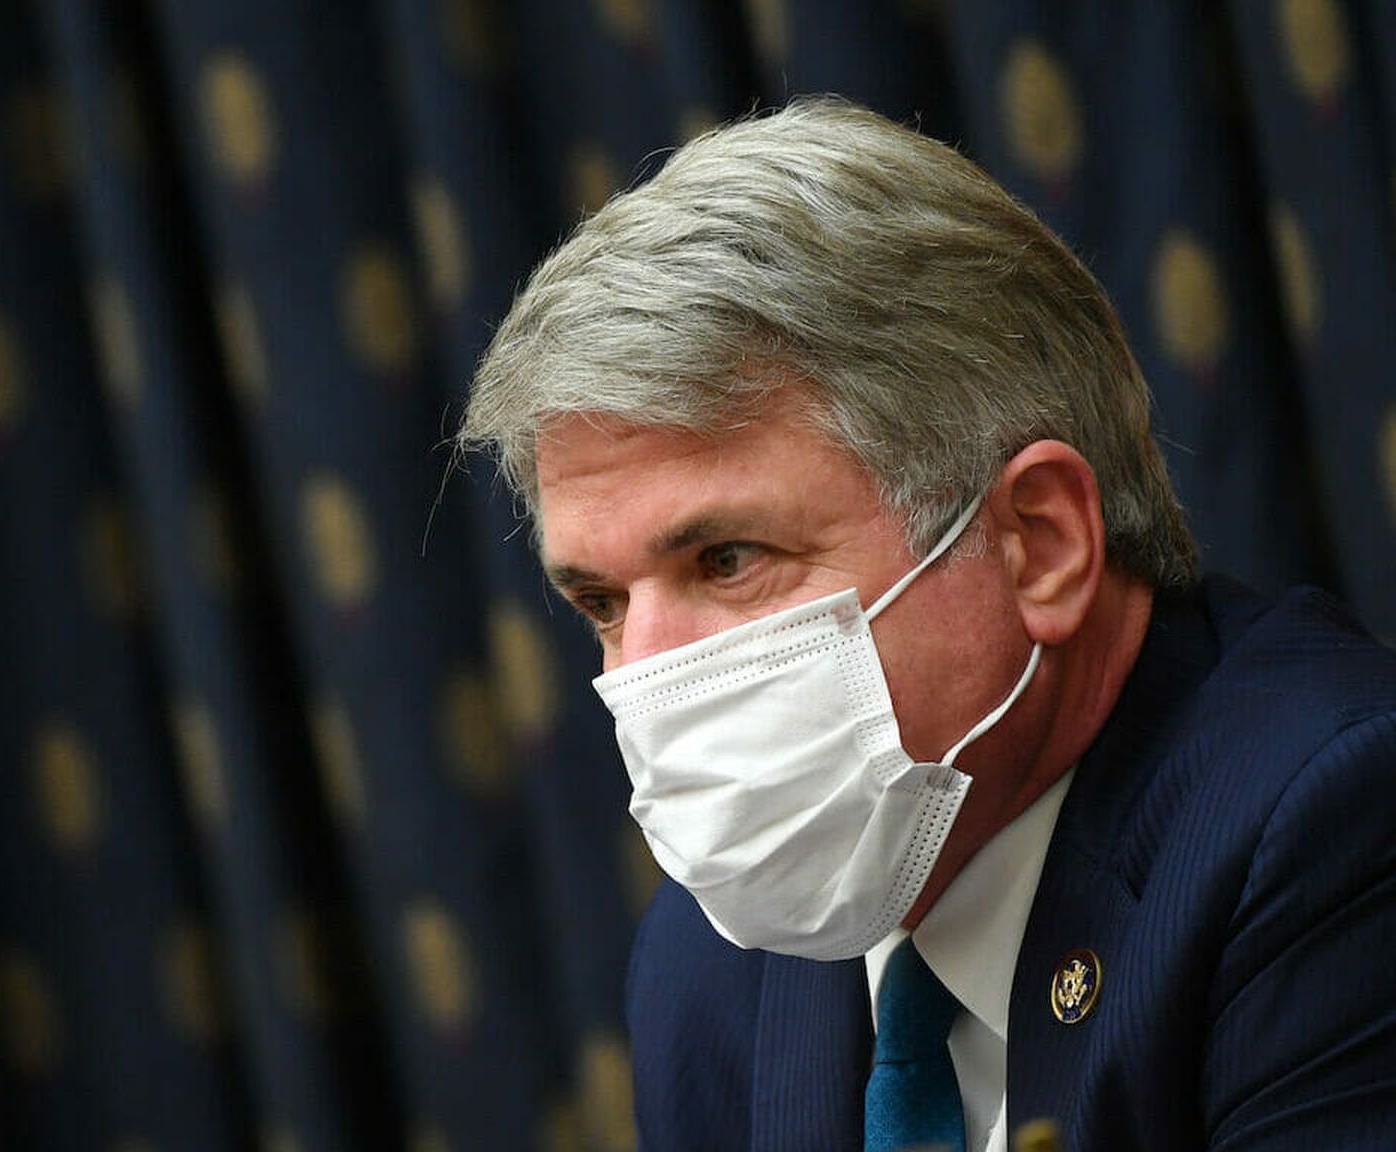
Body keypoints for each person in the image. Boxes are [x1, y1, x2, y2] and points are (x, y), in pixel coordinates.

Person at [459, 97, 1396, 1150]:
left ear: (1038, 543)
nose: (649, 678)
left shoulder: (1330, 826)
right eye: (603, 604)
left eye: (726, 560)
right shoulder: (708, 971)